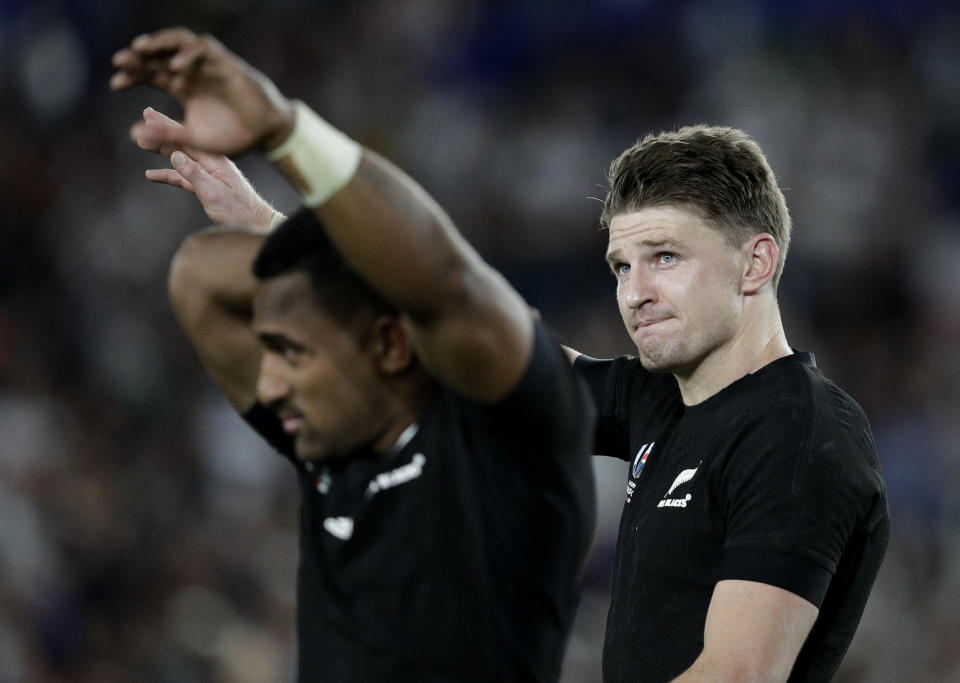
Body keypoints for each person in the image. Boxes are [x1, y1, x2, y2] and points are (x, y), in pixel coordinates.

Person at [116, 29, 889, 683]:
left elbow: (735, 676)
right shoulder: (663, 398)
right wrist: (270, 225)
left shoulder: (801, 433)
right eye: (622, 266)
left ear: (756, 264)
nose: (636, 291)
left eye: (666, 257)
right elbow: (474, 346)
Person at [111, 29, 597, 682]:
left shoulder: (512, 444)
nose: (272, 384)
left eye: (293, 354)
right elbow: (199, 276)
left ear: (390, 344)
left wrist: (285, 133)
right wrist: (267, 226)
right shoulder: (333, 444)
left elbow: (445, 279)